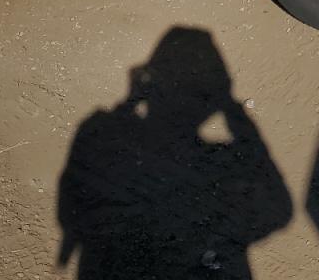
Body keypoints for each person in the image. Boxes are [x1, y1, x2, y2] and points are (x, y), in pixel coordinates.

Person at [56, 27, 291, 279]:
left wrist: (130, 101)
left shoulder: (102, 133)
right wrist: (231, 107)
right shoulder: (218, 163)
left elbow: (75, 194)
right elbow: (279, 208)